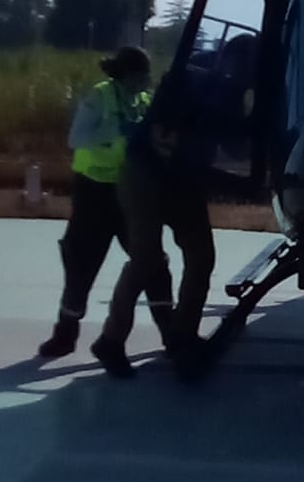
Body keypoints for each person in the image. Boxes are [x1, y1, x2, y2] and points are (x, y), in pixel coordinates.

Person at [91, 34, 258, 380]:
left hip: (182, 178)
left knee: (199, 256)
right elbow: (224, 143)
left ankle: (181, 337)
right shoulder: (197, 77)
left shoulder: (217, 83)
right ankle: (112, 340)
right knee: (146, 258)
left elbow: (235, 147)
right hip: (148, 173)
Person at [36, 46, 152, 361]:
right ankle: (65, 335)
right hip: (93, 194)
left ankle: (171, 329)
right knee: (80, 266)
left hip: (127, 193)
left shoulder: (143, 101)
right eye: (139, 76)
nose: (144, 82)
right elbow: (77, 138)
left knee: (150, 259)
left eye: (146, 77)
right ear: (123, 74)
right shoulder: (99, 98)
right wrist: (116, 130)